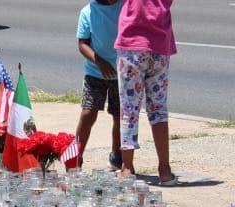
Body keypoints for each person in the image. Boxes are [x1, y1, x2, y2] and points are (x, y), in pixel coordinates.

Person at [115, 0, 176, 185]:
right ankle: (164, 170)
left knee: (129, 108)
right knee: (158, 109)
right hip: (160, 44)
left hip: (131, 43)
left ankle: (127, 167)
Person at [74, 0, 123, 171]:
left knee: (120, 116)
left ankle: (117, 155)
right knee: (88, 113)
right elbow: (82, 44)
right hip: (95, 72)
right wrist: (99, 62)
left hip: (122, 72)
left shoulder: (125, 6)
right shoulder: (88, 12)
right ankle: (76, 157)